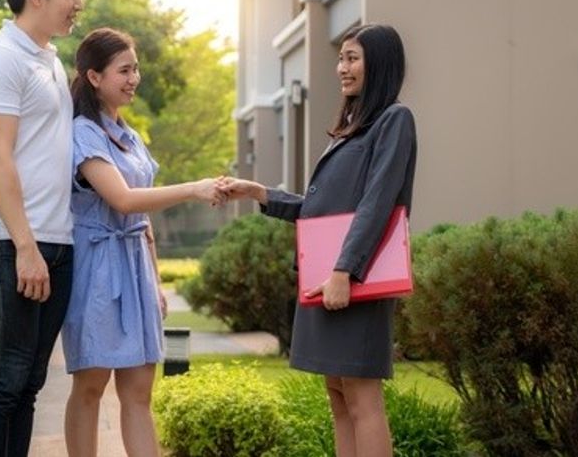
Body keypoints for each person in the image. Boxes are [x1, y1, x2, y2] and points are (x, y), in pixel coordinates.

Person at [218, 24, 416, 457]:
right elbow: (321, 209)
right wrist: (260, 193)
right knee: (339, 396)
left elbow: (377, 203)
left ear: (379, 64)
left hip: (355, 278)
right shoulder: (353, 127)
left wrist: (345, 271)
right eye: (341, 58)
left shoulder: (394, 120)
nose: (342, 68)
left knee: (362, 398)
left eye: (352, 58)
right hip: (327, 277)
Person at [62, 27, 225, 457]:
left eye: (136, 69)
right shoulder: (83, 133)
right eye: (124, 70)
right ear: (94, 77)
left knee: (139, 391)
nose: (134, 78)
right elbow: (123, 199)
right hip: (97, 268)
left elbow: (142, 219)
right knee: (91, 385)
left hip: (135, 266)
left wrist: (155, 281)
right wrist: (193, 189)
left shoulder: (130, 136)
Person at [0, 0, 84, 457]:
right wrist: (26, 247)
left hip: (55, 240)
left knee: (28, 383)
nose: (78, 4)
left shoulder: (48, 60)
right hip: (9, 241)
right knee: (4, 379)